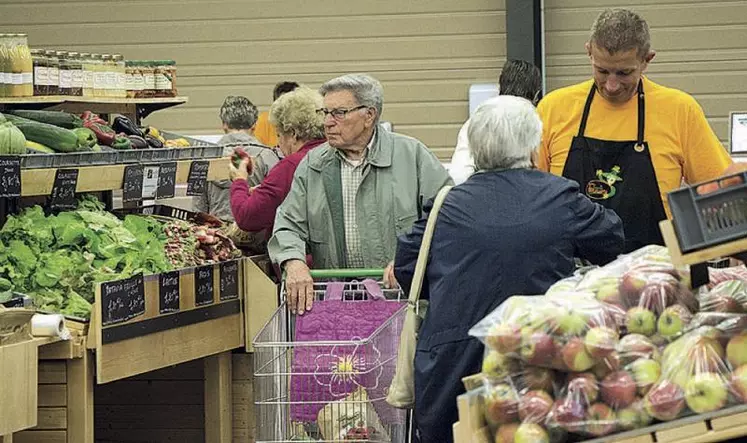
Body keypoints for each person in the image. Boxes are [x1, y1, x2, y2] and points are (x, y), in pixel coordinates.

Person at [394, 95, 625, 443]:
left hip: (453, 363)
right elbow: (612, 240)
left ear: (474, 147)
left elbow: (408, 265)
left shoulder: (445, 204)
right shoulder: (560, 198)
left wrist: (454, 290)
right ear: (533, 144)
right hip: (539, 359)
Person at [537, 8, 733, 253]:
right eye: (602, 71)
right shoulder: (554, 109)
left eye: (624, 73)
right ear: (589, 52)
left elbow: (723, 194)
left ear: (647, 60)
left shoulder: (679, 111)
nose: (611, 85)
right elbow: (531, 199)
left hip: (652, 277)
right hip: (569, 277)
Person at [268, 73, 452, 315]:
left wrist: (411, 257)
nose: (328, 122)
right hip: (337, 308)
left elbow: (446, 217)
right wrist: (293, 262)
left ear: (369, 115)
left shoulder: (412, 156)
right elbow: (288, 224)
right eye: (325, 112)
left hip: (401, 304)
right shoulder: (313, 165)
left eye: (339, 113)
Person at [229, 86, 326, 236]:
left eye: (279, 135)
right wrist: (265, 192)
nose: (278, 143)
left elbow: (247, 217)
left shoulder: (292, 165)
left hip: (300, 255)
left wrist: (239, 179)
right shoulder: (332, 153)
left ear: (293, 133)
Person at [449, 59, 542, 184]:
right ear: (536, 95)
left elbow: (459, 175)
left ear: (499, 87)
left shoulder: (479, 121)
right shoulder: (539, 123)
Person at [196, 96, 280, 221]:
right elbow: (277, 203)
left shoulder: (207, 158)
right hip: (256, 234)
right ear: (254, 125)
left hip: (216, 234)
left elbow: (198, 209)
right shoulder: (267, 157)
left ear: (224, 124)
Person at [254, 81, 300, 147]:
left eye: (291, 102)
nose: (287, 107)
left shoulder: (305, 124)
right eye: (283, 103)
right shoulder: (264, 120)